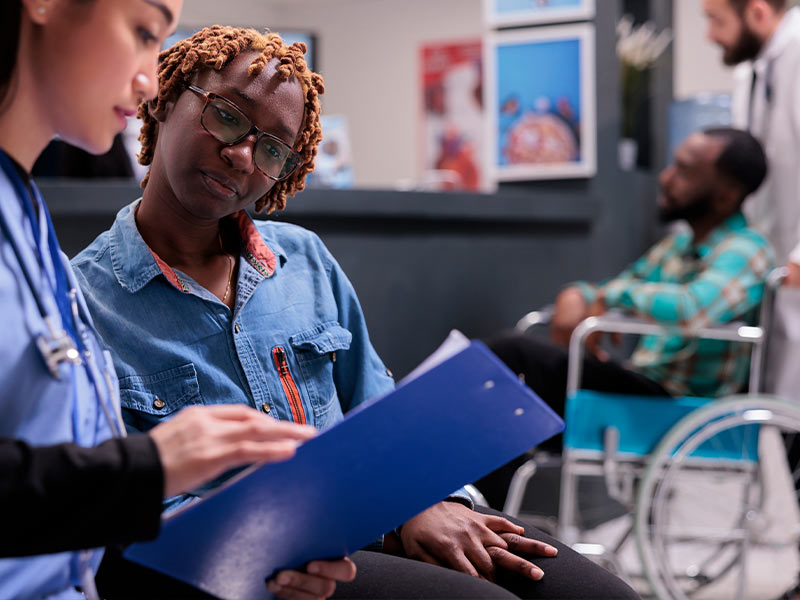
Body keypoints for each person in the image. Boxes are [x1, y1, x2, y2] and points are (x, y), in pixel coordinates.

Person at [72, 25, 640, 600]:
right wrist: (390, 528)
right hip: (252, 567)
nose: (242, 155)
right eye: (226, 116)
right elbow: (128, 503)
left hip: (376, 518)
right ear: (166, 100)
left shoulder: (304, 260)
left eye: (272, 149)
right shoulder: (82, 301)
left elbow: (376, 411)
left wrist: (430, 501)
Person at [0, 2, 322, 599]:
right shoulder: (86, 277)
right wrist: (152, 467)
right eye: (145, 32)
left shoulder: (26, 220)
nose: (149, 77)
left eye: (274, 151)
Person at [479, 128, 773, 507]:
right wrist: (578, 294)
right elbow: (615, 285)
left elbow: (689, 308)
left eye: (683, 170)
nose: (666, 178)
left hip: (680, 406)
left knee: (512, 356)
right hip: (646, 391)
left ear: (726, 194)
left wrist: (605, 296)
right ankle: (485, 514)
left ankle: (485, 519)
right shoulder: (679, 246)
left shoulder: (747, 250)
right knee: (503, 396)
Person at [704, 0, 800, 282]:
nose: (709, 35)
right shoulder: (752, 71)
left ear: (757, 12)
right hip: (775, 258)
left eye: (716, 21)